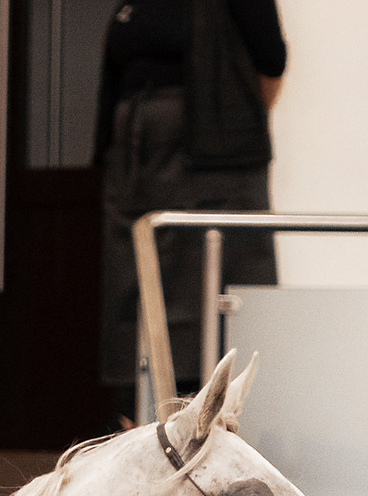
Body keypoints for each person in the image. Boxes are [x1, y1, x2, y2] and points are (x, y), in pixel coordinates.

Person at [97, 0, 286, 426]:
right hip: (135, 159)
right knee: (133, 286)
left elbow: (271, 60)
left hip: (211, 158)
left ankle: (204, 427)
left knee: (205, 288)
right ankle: (139, 422)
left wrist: (221, 129)